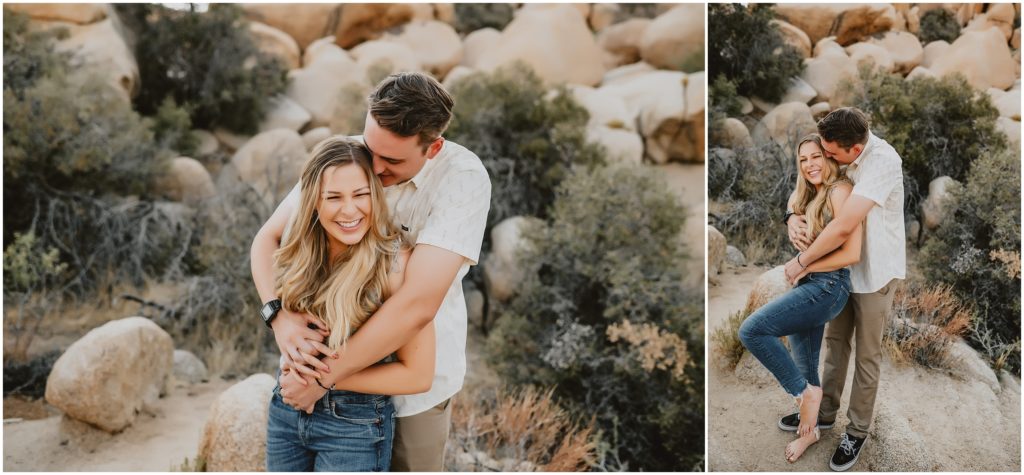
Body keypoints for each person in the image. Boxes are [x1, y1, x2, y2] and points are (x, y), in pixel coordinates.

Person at [251, 72, 491, 471]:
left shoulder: (462, 179)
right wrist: (278, 317)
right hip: (320, 384)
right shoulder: (351, 157)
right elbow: (269, 238)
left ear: (433, 148)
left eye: (392, 160)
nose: (373, 167)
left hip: (410, 389)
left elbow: (416, 305)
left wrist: (321, 378)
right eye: (370, 147)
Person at [264, 137, 434, 471]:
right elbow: (262, 247)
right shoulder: (298, 252)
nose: (350, 210)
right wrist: (279, 320)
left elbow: (418, 375)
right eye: (334, 198)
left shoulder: (394, 266)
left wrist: (319, 382)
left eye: (361, 195)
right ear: (313, 201)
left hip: (354, 425)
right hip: (286, 410)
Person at [780, 107, 906, 471]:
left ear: (852, 150)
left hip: (876, 274)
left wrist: (801, 262)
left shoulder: (882, 162)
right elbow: (807, 178)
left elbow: (844, 226)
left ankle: (857, 432)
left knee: (867, 356)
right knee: (836, 346)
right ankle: (824, 415)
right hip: (843, 271)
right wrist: (792, 216)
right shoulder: (843, 148)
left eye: (831, 153)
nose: (826, 156)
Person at [739, 133, 862, 463]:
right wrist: (791, 217)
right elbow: (792, 208)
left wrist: (801, 264)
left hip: (827, 287)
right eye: (803, 159)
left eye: (815, 157)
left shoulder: (840, 190)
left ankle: (804, 394)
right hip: (811, 285)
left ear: (829, 157)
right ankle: (810, 432)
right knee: (806, 361)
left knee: (751, 331)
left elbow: (851, 254)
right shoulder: (814, 192)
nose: (809, 165)